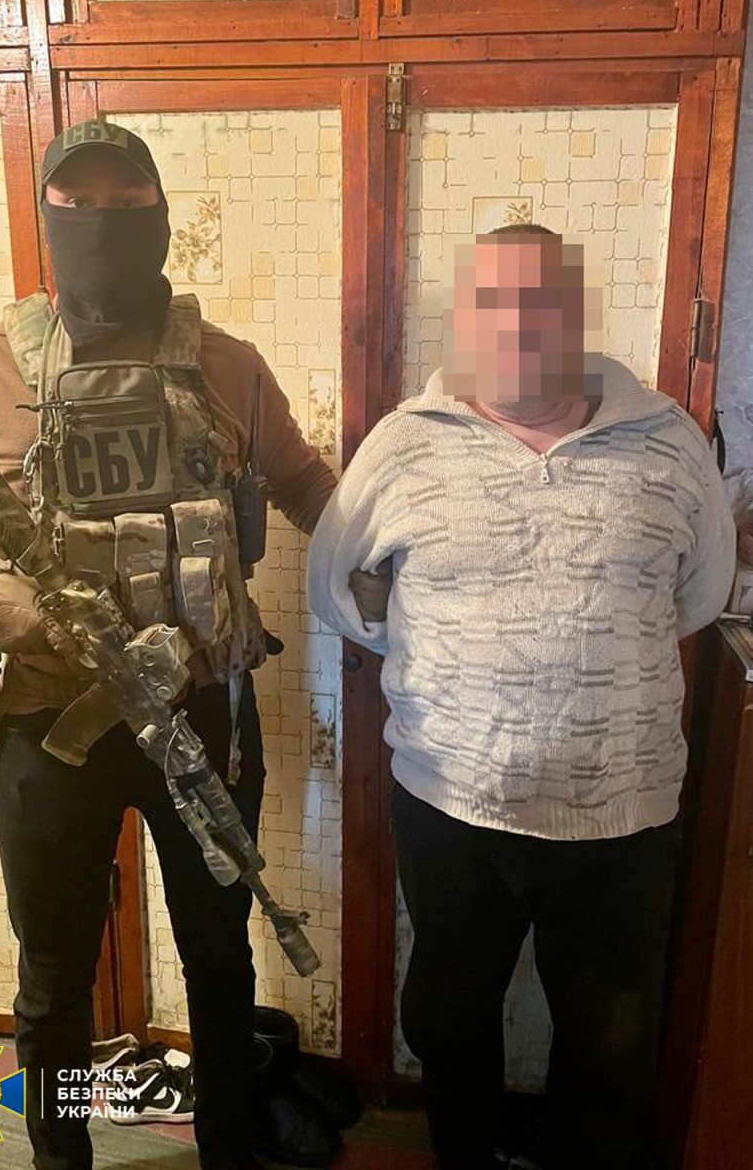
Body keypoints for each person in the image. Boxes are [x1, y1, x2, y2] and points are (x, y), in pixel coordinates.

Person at [0, 120, 337, 1170]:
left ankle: (230, 1146)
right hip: (47, 720)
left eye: (126, 203)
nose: (100, 223)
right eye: (77, 204)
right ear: (46, 216)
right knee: (53, 976)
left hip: (200, 710)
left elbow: (311, 490)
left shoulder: (228, 366)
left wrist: (413, 568)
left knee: (220, 961)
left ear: (161, 216)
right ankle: (60, 1158)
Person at [307, 224, 735, 1170]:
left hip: (624, 817)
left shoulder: (667, 440)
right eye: (492, 303)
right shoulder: (404, 444)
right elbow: (339, 592)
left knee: (612, 1044)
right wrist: (462, 667)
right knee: (446, 1019)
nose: (517, 324)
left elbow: (699, 597)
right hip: (451, 807)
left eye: (541, 301)